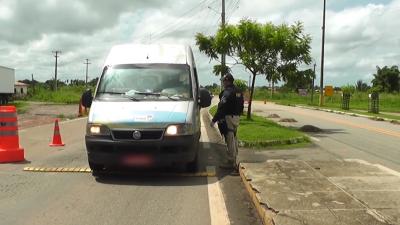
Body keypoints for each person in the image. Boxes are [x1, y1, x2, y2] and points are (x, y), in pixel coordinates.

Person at [210, 73, 244, 170]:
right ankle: (234, 157)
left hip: (228, 117)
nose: (223, 83)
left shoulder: (227, 92)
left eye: (224, 81)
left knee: (229, 138)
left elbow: (221, 107)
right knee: (234, 137)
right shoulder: (238, 91)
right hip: (236, 117)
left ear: (227, 81)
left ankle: (231, 161)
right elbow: (241, 106)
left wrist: (214, 120)